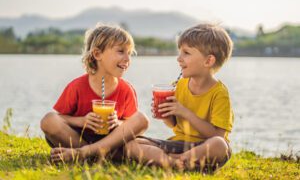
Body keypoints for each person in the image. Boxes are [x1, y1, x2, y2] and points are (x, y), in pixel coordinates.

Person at [125, 23, 234, 172]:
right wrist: (166, 114)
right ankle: (179, 162)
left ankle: (173, 160)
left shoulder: (219, 93)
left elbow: (217, 135)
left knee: (220, 145)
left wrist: (184, 112)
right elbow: (174, 125)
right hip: (178, 144)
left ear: (208, 61)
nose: (179, 58)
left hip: (204, 148)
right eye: (180, 52)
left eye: (186, 53)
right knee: (132, 143)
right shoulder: (178, 85)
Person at [40, 24, 149, 163]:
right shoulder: (77, 86)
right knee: (48, 120)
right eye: (121, 51)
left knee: (142, 119)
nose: (128, 58)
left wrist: (117, 123)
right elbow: (60, 118)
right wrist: (81, 121)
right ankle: (95, 155)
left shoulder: (126, 90)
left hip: (111, 143)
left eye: (130, 53)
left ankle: (86, 154)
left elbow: (130, 125)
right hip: (78, 139)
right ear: (97, 54)